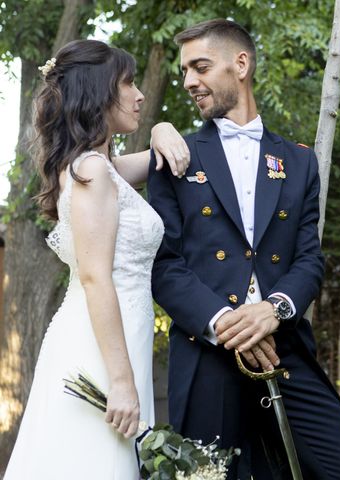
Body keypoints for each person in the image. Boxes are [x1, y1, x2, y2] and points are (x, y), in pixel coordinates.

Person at [148, 19, 340, 480]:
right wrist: (227, 325)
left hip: (283, 347)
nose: (189, 81)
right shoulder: (176, 155)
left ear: (241, 64)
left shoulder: (298, 160)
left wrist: (273, 311)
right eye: (184, 72)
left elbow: (309, 258)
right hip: (208, 352)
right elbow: (164, 264)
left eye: (200, 67)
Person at [4, 39, 188, 479]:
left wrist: (163, 127)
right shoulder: (91, 173)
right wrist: (121, 381)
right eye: (128, 83)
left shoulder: (100, 168)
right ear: (98, 92)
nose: (139, 94)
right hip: (101, 349)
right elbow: (94, 279)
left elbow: (159, 161)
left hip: (121, 338)